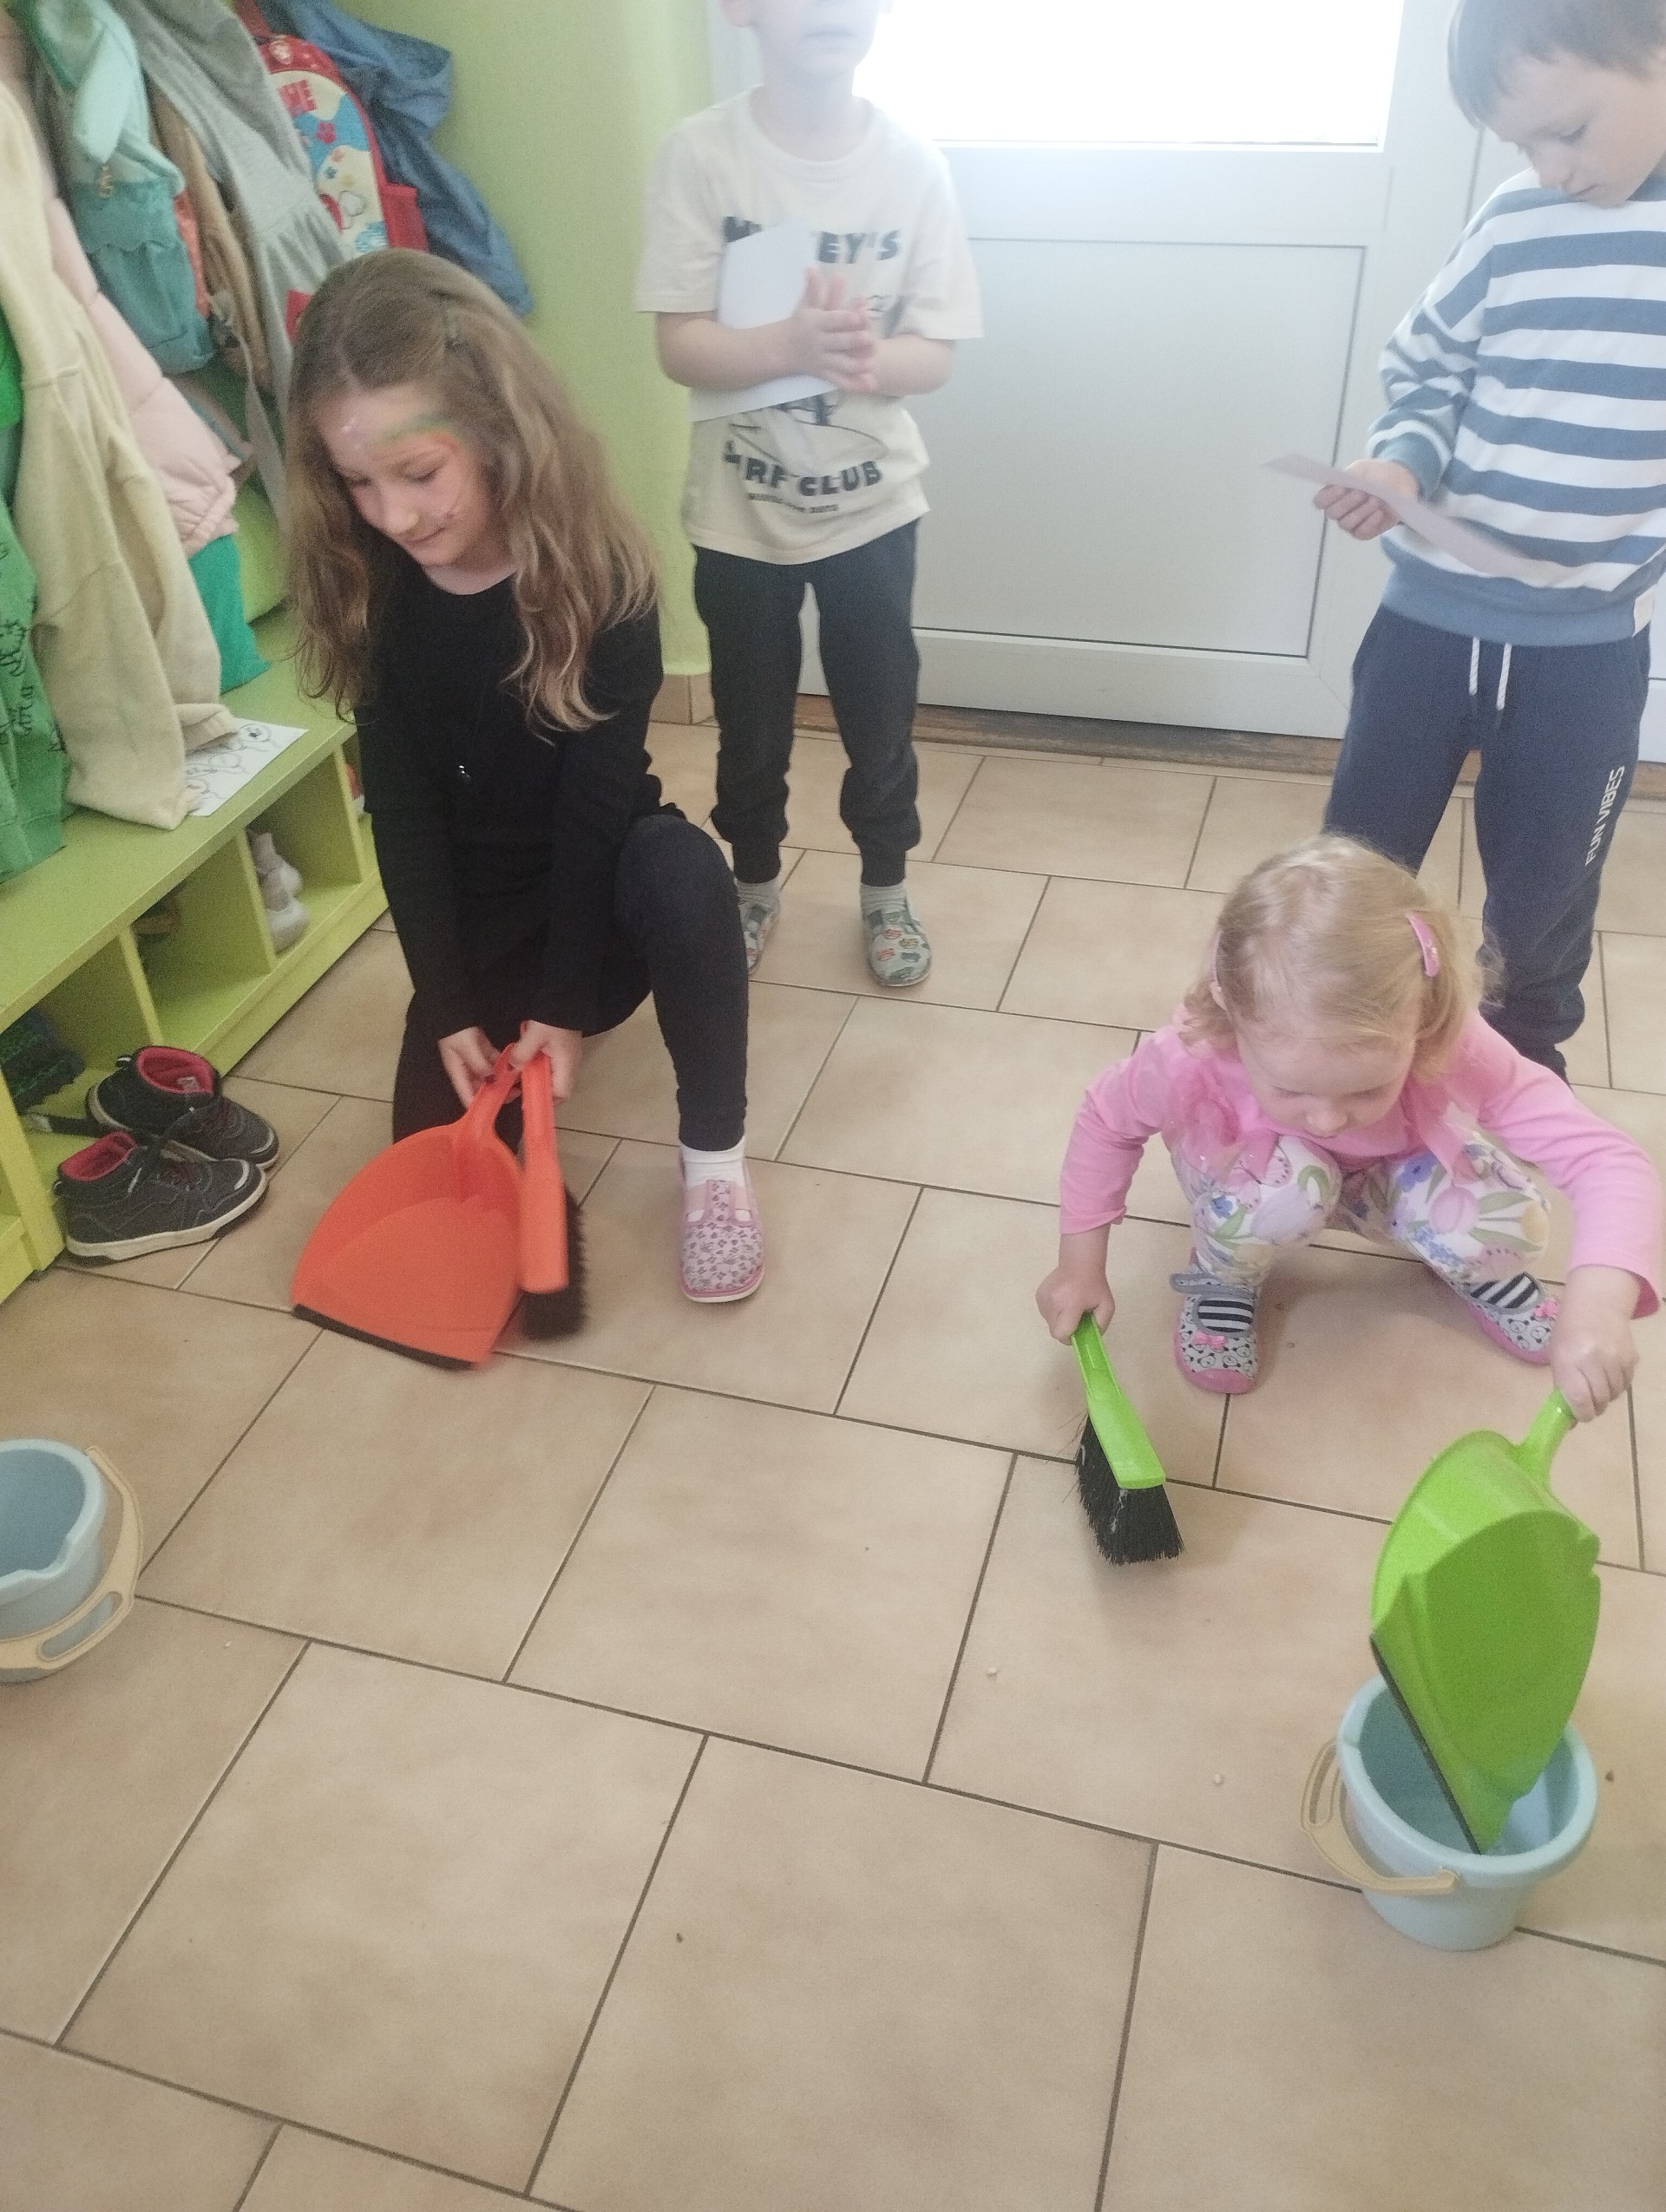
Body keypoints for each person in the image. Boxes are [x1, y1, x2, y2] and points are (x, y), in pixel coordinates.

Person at [285, 250, 764, 1304]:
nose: (394, 516)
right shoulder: (377, 591)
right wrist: (449, 1003)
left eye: (419, 473)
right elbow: (404, 816)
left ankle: (717, 1164)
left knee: (688, 875)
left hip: (603, 886)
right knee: (436, 1168)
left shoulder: (602, 580)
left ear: (500, 429)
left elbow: (594, 815)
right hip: (484, 912)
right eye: (358, 483)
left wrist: (563, 1004)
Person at [1315, 0, 1666, 1080]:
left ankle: (1520, 1075)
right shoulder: (1515, 222)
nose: (1551, 169)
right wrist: (1399, 466)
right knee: (1354, 872)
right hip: (1427, 629)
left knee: (1544, 899)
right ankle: (1325, 1048)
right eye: (1523, 146)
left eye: (1569, 131)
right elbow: (1428, 373)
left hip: (1586, 655)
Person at [1036, 837, 1660, 1423]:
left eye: (1367, 1089)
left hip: (1383, 1177)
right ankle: (1223, 1278)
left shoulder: (1448, 1038)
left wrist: (1599, 1306)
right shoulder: (1191, 1051)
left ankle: (1474, 1267)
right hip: (1252, 1177)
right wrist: (1079, 1266)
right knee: (1288, 1189)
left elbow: (1605, 1161)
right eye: (1290, 1089)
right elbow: (1106, 1122)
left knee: (1505, 1213)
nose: (1329, 1119)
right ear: (1230, 1008)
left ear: (1423, 1018)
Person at [634, 0, 981, 985]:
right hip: (739, 517)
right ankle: (751, 883)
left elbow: (935, 354)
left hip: (875, 511)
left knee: (881, 715)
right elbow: (678, 343)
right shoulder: (701, 154)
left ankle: (885, 888)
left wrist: (860, 356)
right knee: (750, 725)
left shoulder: (913, 167)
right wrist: (789, 345)